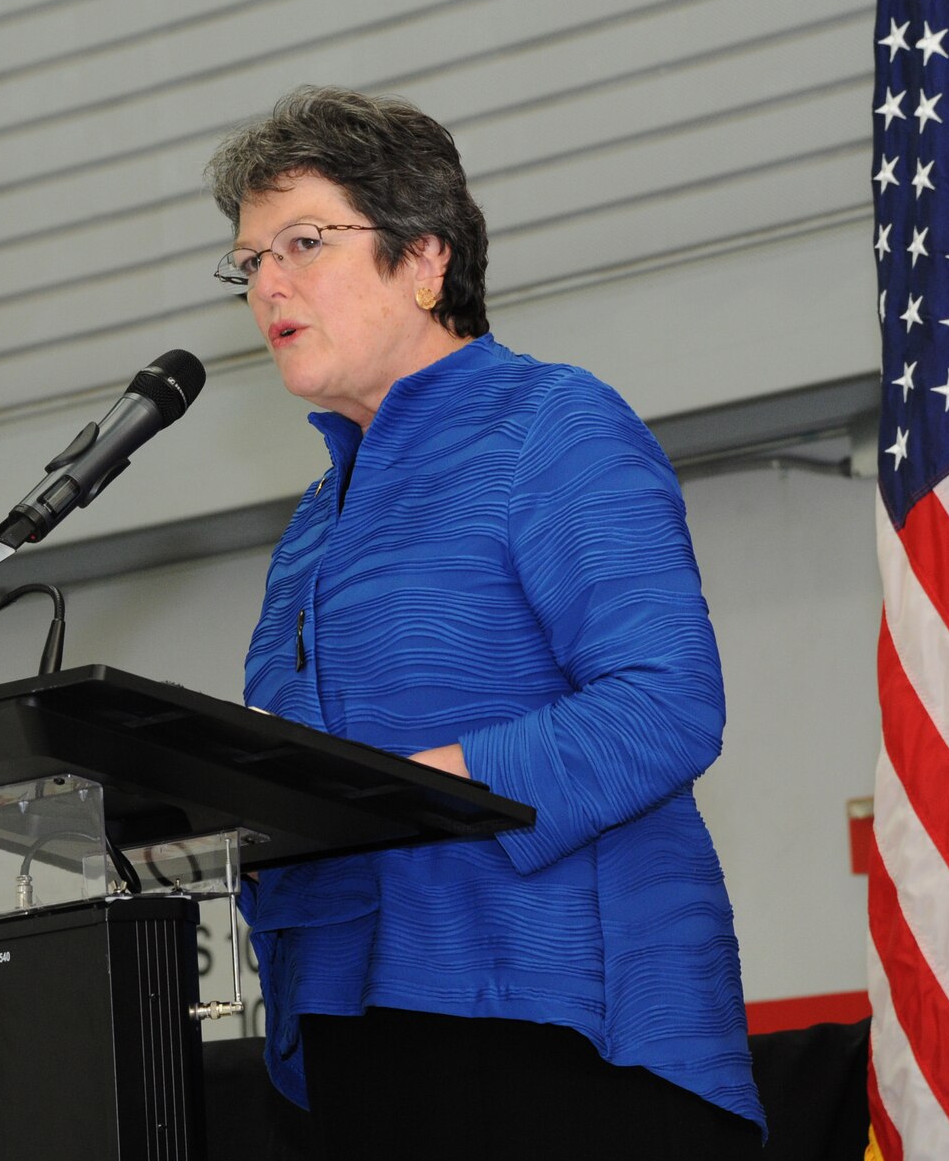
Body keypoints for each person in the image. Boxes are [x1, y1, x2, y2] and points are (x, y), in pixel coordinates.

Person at [206, 86, 766, 1158]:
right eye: (249, 261)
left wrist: (413, 791)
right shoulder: (313, 529)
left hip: (557, 1031)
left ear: (424, 258)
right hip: (351, 1044)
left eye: (304, 242)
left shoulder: (552, 425)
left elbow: (665, 702)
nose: (266, 282)